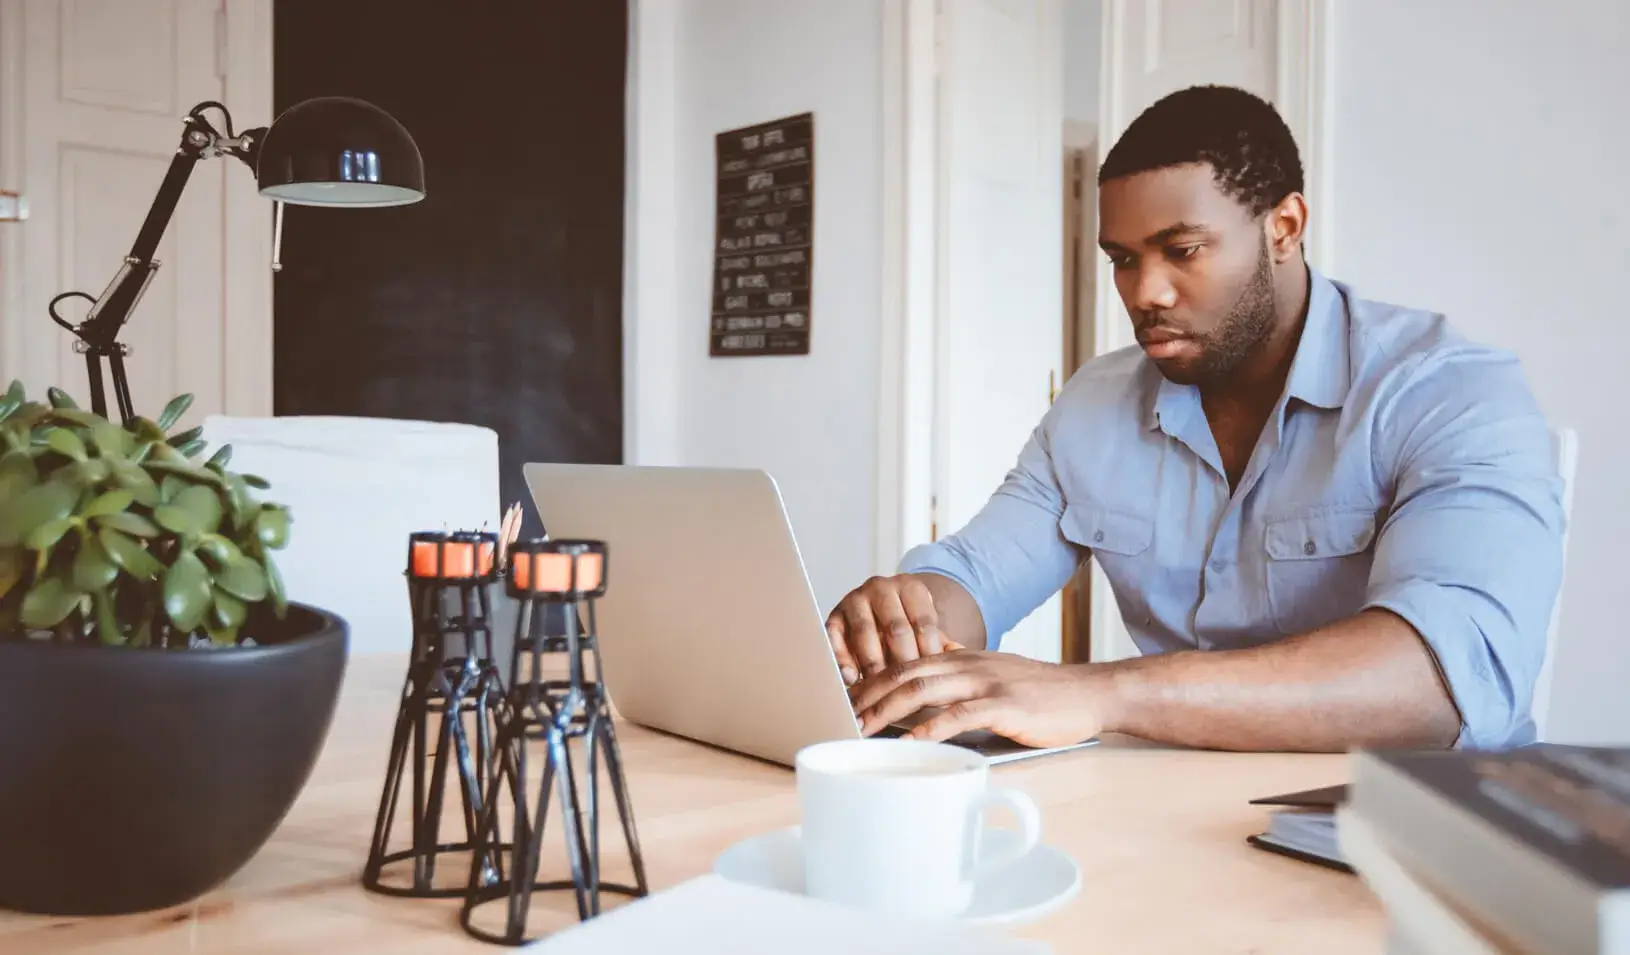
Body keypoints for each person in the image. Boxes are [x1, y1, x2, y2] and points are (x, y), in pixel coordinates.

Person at [827, 84, 1565, 754]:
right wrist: (906, 621)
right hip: (1175, 811)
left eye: (1181, 250)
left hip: (1412, 835)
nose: (1145, 291)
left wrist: (1099, 691)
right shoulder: (1095, 405)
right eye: (1121, 258)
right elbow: (978, 576)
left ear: (1284, 225)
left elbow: (1443, 681)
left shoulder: (1447, 390)